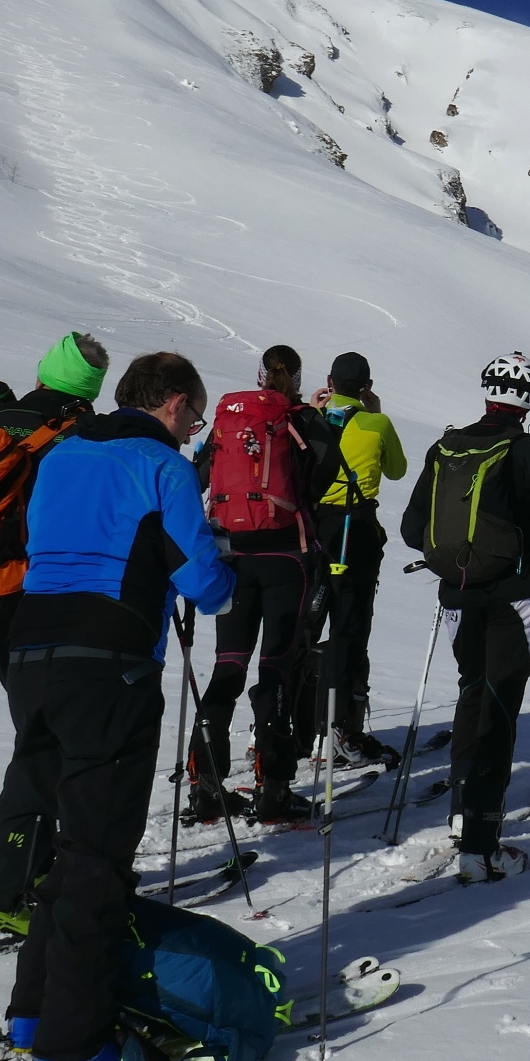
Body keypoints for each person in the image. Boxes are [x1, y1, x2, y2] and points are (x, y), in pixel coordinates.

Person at [0, 350, 235, 1061]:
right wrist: (223, 560)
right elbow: (204, 583)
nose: (194, 430)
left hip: (31, 651)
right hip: (110, 666)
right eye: (194, 416)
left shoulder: (63, 454)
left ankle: (32, 1014)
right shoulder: (159, 465)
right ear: (169, 404)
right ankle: (70, 1044)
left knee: (61, 843)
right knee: (97, 856)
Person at [398, 352, 530, 882]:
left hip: (456, 593)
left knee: (472, 692)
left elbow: (412, 530)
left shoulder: (446, 446)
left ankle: (460, 814)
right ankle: (481, 847)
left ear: (487, 389)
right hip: (513, 598)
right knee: (499, 707)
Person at [0, 331, 108, 939]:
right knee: (48, 739)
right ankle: (0, 892)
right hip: (37, 597)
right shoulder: (77, 432)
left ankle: (37, 868)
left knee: (42, 730)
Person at [188, 346, 327, 824]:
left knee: (227, 665)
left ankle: (204, 787)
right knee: (276, 668)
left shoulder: (229, 418)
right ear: (298, 375)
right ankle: (275, 788)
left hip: (233, 556)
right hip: (288, 557)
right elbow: (323, 477)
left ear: (260, 374)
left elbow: (198, 476)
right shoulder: (301, 417)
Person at [306, 350, 407, 770]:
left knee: (307, 625)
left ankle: (299, 723)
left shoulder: (312, 420)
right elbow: (397, 471)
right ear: (366, 386)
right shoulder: (377, 423)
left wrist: (313, 412)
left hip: (314, 531)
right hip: (357, 530)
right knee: (350, 628)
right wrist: (375, 413)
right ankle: (341, 726)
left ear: (329, 382)